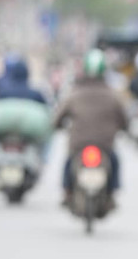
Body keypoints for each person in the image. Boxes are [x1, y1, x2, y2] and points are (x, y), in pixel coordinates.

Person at [53, 49, 129, 208]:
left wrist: (57, 126)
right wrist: (124, 128)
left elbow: (58, 118)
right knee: (114, 161)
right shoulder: (113, 95)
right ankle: (111, 194)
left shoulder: (74, 94)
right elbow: (123, 119)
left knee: (69, 162)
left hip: (78, 144)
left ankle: (67, 191)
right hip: (104, 144)